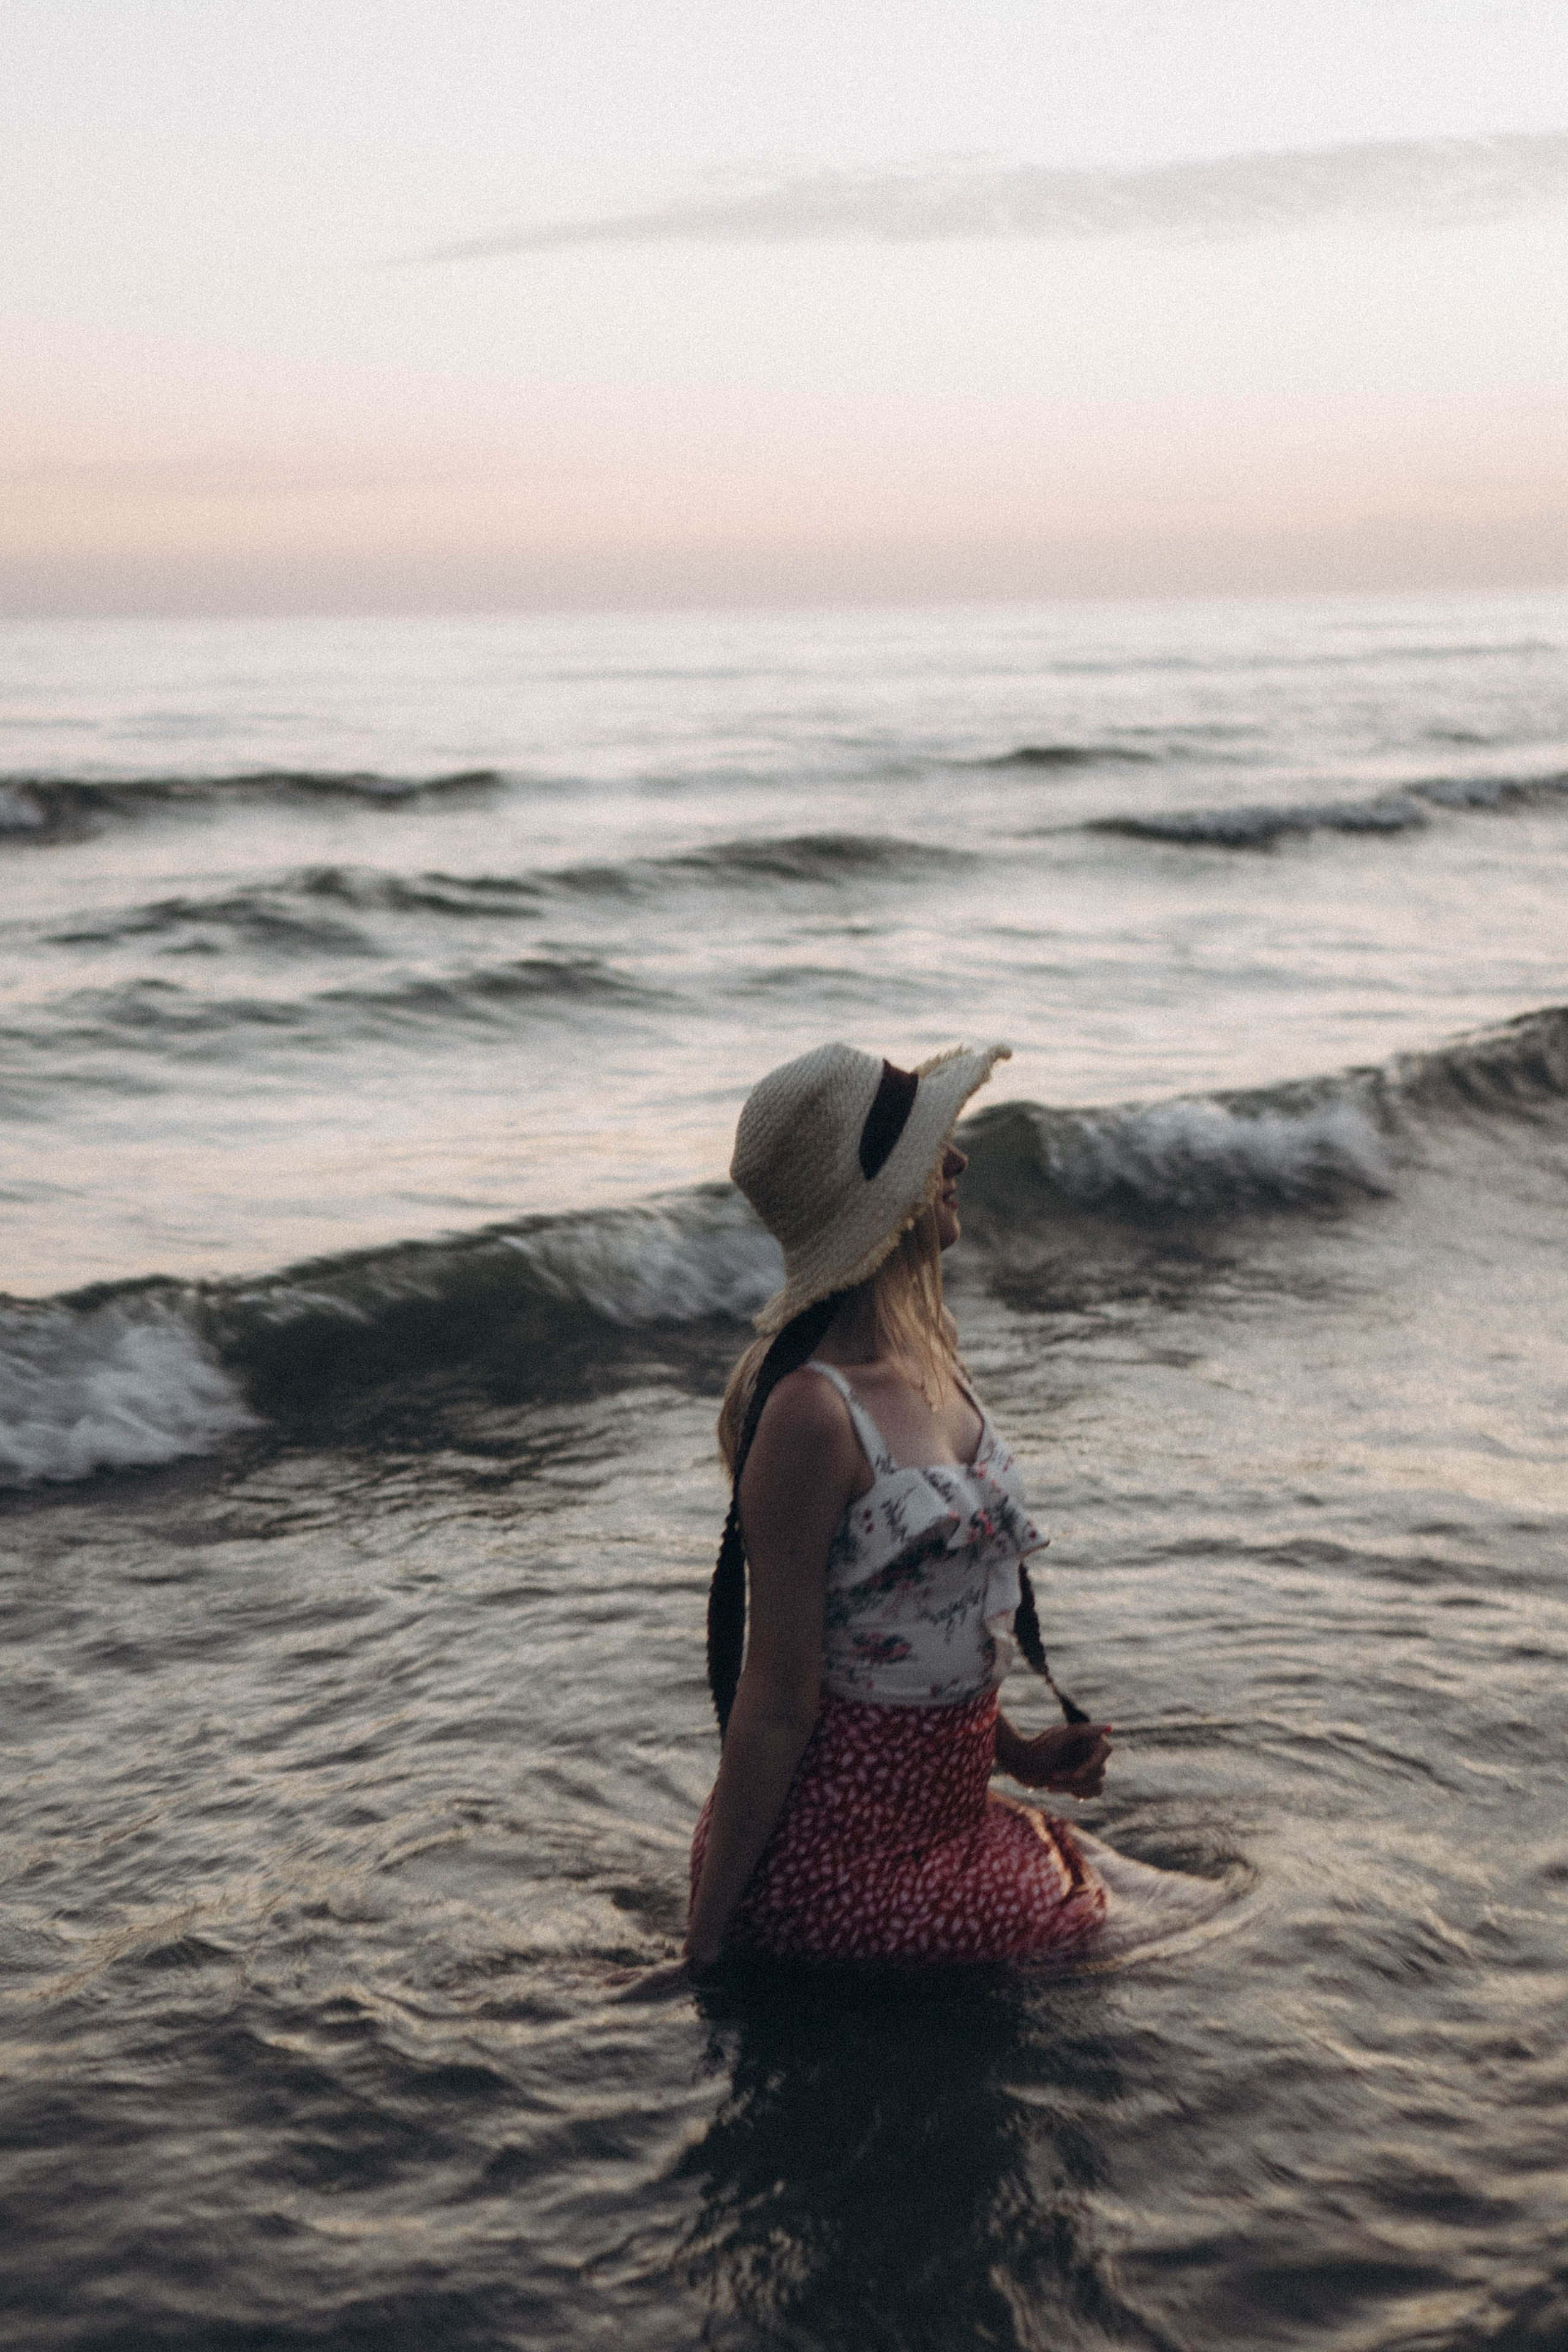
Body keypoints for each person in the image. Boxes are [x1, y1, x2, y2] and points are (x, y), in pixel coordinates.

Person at [687, 1040, 1114, 1969]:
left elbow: (905, 1630)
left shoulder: (928, 1363)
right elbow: (777, 1700)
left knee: (1159, 1904)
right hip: (840, 1863)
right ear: (871, 1203)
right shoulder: (813, 1414)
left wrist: (1020, 1755)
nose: (956, 1160)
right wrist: (705, 1947)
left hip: (946, 1821)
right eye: (928, 1150)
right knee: (1169, 1933)